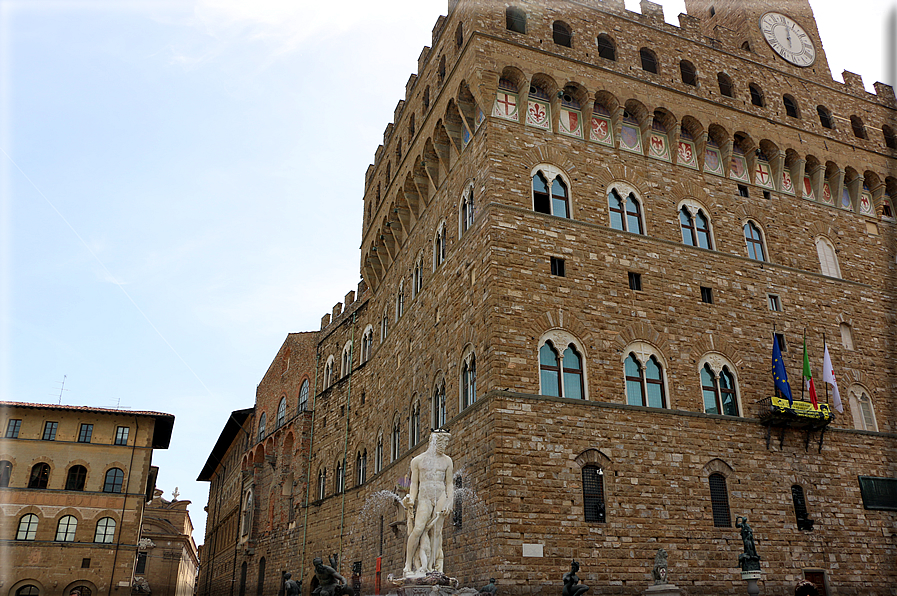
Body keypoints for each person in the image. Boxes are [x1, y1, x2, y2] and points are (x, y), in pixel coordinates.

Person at [402, 430, 454, 576]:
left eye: (446, 443)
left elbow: (449, 484)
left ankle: (432, 566)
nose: (445, 445)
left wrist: (449, 501)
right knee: (418, 529)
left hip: (440, 494)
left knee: (437, 532)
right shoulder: (418, 461)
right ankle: (408, 564)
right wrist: (411, 499)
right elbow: (414, 484)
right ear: (434, 442)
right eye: (442, 442)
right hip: (425, 496)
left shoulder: (447, 461)